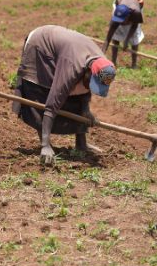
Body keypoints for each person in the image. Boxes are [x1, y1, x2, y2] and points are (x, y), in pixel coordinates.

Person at [13, 25, 116, 165]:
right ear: (88, 72)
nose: (89, 86)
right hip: (41, 45)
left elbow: (84, 92)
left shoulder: (103, 65)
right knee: (43, 90)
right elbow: (51, 104)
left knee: (78, 96)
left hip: (66, 48)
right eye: (90, 81)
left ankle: (81, 144)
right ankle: (46, 144)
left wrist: (86, 111)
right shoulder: (72, 66)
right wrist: (45, 146)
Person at [102, 0, 144, 69]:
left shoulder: (136, 13)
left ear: (128, 16)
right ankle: (113, 62)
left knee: (134, 38)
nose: (120, 22)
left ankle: (134, 64)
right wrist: (102, 51)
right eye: (118, 20)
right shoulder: (116, 14)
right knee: (116, 35)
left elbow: (134, 27)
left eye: (122, 20)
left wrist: (127, 40)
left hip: (134, 6)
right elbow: (109, 36)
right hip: (121, 2)